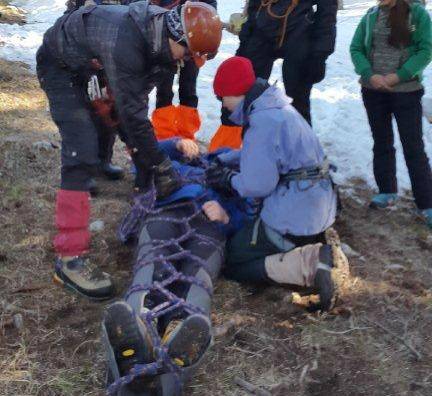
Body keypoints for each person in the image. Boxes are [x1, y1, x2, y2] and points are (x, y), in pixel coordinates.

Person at [37, 1, 222, 300]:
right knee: (81, 149)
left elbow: (131, 112)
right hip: (59, 64)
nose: (186, 60)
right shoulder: (129, 41)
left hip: (93, 63)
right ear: (177, 38)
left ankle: (143, 191)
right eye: (187, 53)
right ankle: (69, 260)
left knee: (122, 125)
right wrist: (161, 165)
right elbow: (134, 115)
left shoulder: (160, 39)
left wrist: (148, 160)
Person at [101, 139, 251, 395]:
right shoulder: (176, 161)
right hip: (165, 213)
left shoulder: (235, 175)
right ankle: (135, 335)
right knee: (151, 269)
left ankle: (173, 357)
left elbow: (251, 210)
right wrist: (175, 144)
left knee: (196, 283)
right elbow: (143, 160)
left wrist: (228, 217)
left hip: (210, 228)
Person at [206, 56, 338, 311]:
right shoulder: (275, 108)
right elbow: (266, 153)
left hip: (297, 213)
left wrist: (228, 179)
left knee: (233, 260)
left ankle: (308, 265)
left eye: (222, 97)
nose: (223, 104)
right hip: (318, 204)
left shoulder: (262, 122)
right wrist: (225, 158)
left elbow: (258, 185)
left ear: (234, 92)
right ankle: (307, 247)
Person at [208, 0, 338, 152]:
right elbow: (254, 6)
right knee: (238, 88)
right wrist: (246, 39)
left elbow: (327, 10)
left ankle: (302, 158)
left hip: (300, 28)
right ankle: (226, 150)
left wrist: (319, 53)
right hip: (263, 26)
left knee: (298, 99)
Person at [350, 0, 432, 229]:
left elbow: (426, 50)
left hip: (407, 92)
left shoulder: (417, 15)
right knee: (382, 142)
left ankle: (426, 203)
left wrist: (400, 75)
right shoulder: (370, 15)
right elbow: (356, 48)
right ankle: (386, 190)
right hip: (373, 91)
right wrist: (369, 74)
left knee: (413, 146)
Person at [151, 0, 218, 142]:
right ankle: (163, 134)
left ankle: (186, 135)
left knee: (188, 89)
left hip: (194, 41)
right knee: (164, 89)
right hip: (168, 39)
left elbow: (210, 11)